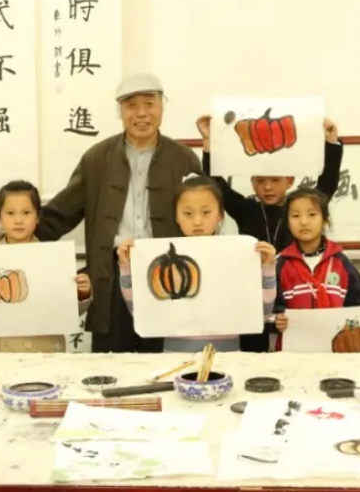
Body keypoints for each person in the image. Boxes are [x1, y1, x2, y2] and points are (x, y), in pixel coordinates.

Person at [35, 73, 202, 353]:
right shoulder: (97, 158)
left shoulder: (183, 158)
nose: (141, 113)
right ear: (120, 111)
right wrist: (15, 244)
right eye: (131, 105)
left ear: (162, 106)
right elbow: (61, 213)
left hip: (167, 269)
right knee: (111, 358)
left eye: (149, 104)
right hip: (111, 272)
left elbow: (206, 214)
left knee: (162, 353)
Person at [196, 112, 342, 352]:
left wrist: (331, 143)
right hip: (254, 298)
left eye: (275, 180)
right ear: (252, 182)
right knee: (253, 355)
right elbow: (217, 186)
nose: (267, 187)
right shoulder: (247, 210)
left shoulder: (298, 209)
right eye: (260, 180)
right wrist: (209, 143)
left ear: (289, 180)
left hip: (293, 296)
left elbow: (327, 184)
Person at [116, 176, 277, 353]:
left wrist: (267, 268)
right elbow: (140, 310)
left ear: (220, 215)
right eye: (188, 214)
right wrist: (126, 267)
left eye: (206, 212)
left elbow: (262, 312)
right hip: (174, 356)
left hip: (228, 356)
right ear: (176, 217)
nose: (197, 221)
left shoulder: (239, 256)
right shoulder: (159, 258)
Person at [271, 188, 360, 350]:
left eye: (312, 214)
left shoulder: (341, 263)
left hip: (337, 352)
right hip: (293, 353)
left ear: (325, 219)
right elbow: (271, 310)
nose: (304, 222)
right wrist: (277, 320)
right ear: (287, 222)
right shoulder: (280, 264)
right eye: (296, 216)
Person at [0, 180, 92, 353]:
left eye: (26, 213)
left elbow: (66, 311)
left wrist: (82, 293)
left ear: (37, 217)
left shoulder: (54, 258)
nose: (18, 220)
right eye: (10, 213)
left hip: (44, 350)